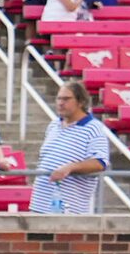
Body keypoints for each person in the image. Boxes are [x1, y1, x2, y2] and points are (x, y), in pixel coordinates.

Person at [29, 78, 116, 213]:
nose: (60, 103)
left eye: (66, 99)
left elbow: (100, 162)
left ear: (81, 102)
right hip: (39, 205)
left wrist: (70, 168)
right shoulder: (53, 125)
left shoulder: (93, 128)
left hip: (69, 209)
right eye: (58, 99)